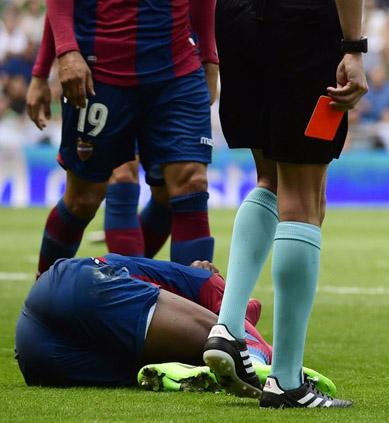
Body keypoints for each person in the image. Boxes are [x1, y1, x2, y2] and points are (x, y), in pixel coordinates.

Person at [203, 0, 368, 409]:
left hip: (237, 18)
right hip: (302, 21)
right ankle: (287, 381)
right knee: (304, 197)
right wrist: (354, 46)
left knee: (271, 181)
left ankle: (228, 326)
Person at [32, 0, 219, 276]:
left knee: (190, 183)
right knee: (83, 198)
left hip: (176, 69)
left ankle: (195, 307)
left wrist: (209, 57)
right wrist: (60, 55)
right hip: (101, 71)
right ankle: (45, 297)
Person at [14, 254, 337, 399]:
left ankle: (176, 375)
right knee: (229, 344)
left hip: (35, 355)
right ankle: (269, 373)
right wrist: (266, 355)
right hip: (80, 285)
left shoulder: (174, 278)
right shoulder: (207, 280)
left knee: (142, 369)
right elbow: (245, 313)